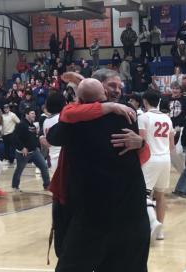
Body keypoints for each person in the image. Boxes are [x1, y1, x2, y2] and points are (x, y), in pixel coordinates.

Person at [47, 77, 149, 271]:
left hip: (93, 213)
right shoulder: (127, 114)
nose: (117, 90)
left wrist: (142, 143)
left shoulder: (74, 120)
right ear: (102, 89)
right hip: (128, 211)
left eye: (120, 87)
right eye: (112, 86)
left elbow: (55, 133)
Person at [138, 90, 174, 241]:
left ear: (145, 101)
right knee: (160, 195)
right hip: (165, 158)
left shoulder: (144, 117)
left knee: (142, 195)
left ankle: (153, 223)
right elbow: (171, 145)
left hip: (150, 159)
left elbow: (141, 141)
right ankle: (160, 231)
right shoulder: (167, 118)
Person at [11, 108, 50, 191]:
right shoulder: (20, 125)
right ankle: (15, 186)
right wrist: (22, 148)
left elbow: (33, 138)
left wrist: (38, 146)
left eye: (34, 113)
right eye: (32, 113)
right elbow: (14, 138)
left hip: (34, 151)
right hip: (23, 153)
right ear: (26, 114)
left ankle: (47, 185)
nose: (34, 115)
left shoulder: (32, 125)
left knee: (44, 166)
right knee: (19, 169)